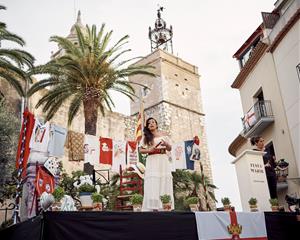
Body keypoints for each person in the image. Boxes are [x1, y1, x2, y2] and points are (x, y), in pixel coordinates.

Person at [139, 117, 174, 211]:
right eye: (149, 123)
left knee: (163, 179)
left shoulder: (164, 135)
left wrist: (166, 144)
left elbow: (170, 148)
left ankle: (165, 205)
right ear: (147, 126)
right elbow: (140, 150)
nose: (151, 124)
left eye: (153, 122)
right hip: (152, 160)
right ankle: (153, 207)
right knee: (153, 181)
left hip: (163, 159)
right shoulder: (146, 137)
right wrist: (149, 149)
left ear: (156, 124)